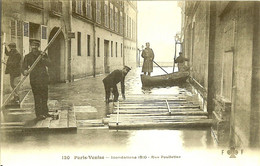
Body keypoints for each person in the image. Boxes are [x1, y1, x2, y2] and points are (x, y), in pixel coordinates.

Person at [22, 39, 51, 120]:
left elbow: (49, 64)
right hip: (34, 79)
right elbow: (24, 67)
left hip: (43, 78)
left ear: (38, 46)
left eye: (36, 45)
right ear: (31, 46)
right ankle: (39, 114)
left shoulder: (43, 54)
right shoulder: (28, 56)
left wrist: (43, 59)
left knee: (45, 96)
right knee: (37, 96)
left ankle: (45, 112)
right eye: (33, 45)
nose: (34, 47)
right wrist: (25, 71)